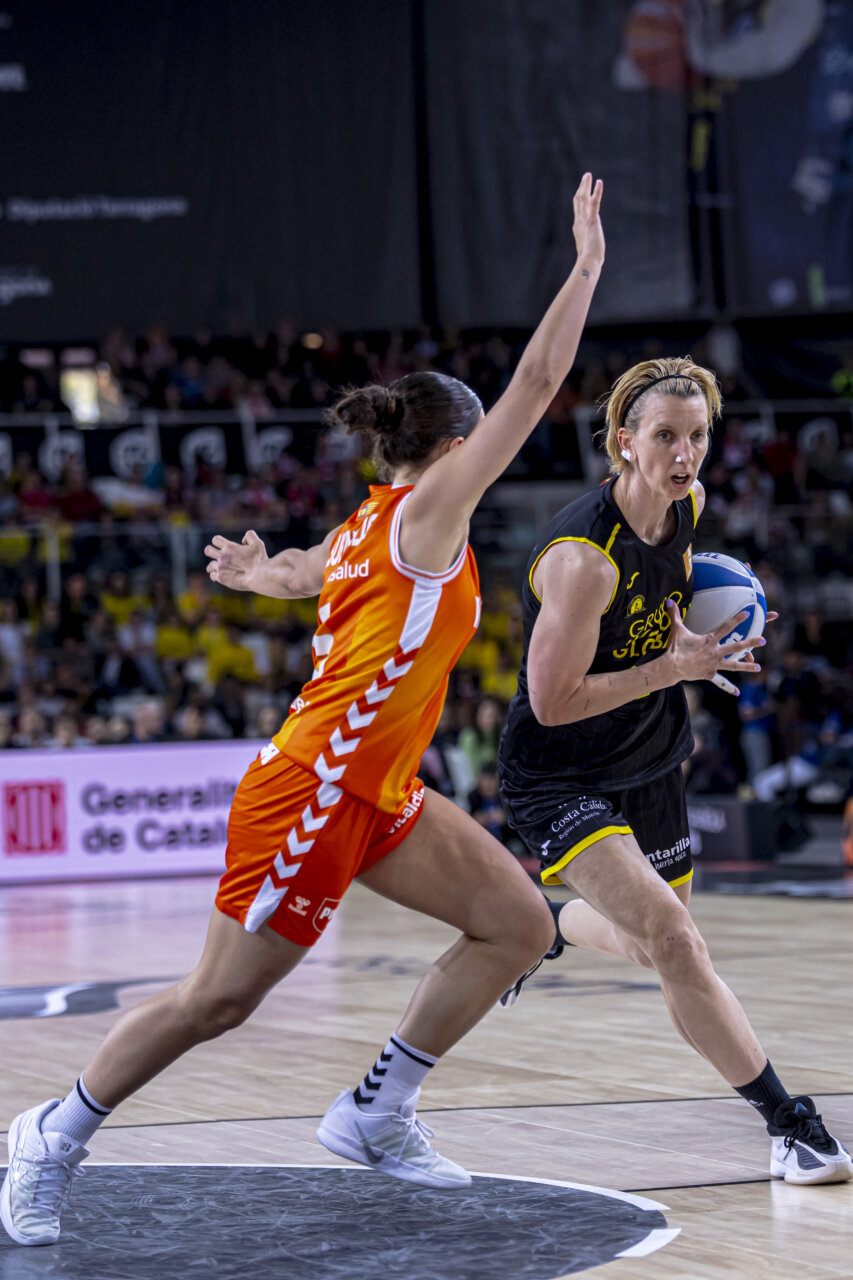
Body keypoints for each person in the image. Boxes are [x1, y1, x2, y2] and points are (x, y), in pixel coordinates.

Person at [1, 175, 605, 1247]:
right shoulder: (426, 511)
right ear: (453, 446)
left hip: (376, 793)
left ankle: (375, 1110)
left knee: (516, 923)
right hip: (309, 794)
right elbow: (543, 375)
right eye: (478, 439)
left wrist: (251, 573)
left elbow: (297, 575)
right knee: (215, 1002)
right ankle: (50, 1133)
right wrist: (587, 263)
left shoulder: (363, 526)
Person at [496, 356, 853, 1186]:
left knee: (654, 943)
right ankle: (788, 1123)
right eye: (664, 437)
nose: (684, 454)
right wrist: (671, 667)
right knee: (676, 941)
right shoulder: (581, 558)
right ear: (623, 442)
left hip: (652, 754)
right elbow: (551, 702)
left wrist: (715, 628)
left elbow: (673, 600)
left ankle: (546, 926)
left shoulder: (686, 507)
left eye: (695, 436)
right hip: (559, 773)